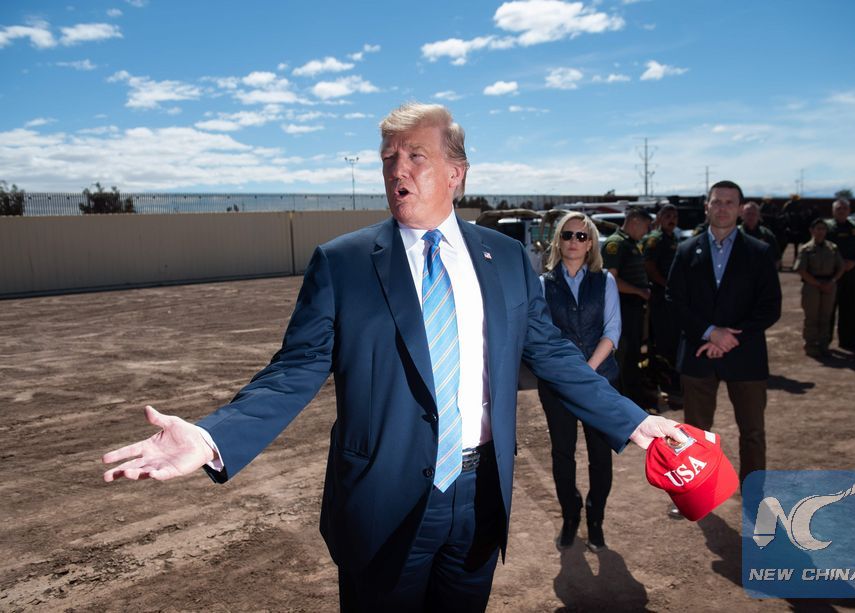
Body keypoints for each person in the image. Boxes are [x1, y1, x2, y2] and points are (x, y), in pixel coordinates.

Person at [101, 102, 684, 612]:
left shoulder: (505, 259)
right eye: (388, 158)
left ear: (456, 173)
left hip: (481, 497)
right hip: (383, 502)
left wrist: (632, 420)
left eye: (415, 156)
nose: (397, 170)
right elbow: (294, 370)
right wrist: (212, 437)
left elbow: (552, 352)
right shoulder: (344, 263)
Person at [666, 180, 782, 515]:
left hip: (745, 355)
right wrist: (709, 332)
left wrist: (731, 338)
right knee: (694, 434)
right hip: (699, 353)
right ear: (707, 206)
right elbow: (673, 299)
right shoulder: (686, 250)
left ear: (741, 208)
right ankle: (695, 494)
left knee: (753, 432)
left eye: (730, 202)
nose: (722, 208)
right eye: (717, 202)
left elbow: (770, 306)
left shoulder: (759, 252)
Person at [536, 212, 620, 553]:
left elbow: (612, 331)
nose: (574, 241)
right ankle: (570, 516)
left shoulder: (606, 281)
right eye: (567, 235)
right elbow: (541, 336)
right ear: (558, 241)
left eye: (581, 236)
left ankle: (595, 518)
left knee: (601, 455)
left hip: (599, 382)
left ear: (591, 244)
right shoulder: (543, 284)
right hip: (557, 386)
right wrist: (567, 375)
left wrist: (587, 371)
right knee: (563, 453)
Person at [603, 207, 653, 405]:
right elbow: (611, 280)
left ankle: (633, 397)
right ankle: (623, 400)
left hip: (634, 309)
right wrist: (639, 291)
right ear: (634, 221)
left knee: (632, 354)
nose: (646, 232)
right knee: (623, 357)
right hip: (623, 308)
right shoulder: (616, 244)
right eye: (646, 226)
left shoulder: (631, 243)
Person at [642, 203, 682, 409]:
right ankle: (662, 381)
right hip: (659, 296)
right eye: (667, 215)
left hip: (671, 297)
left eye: (674, 216)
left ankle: (671, 378)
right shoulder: (655, 239)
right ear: (659, 218)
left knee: (673, 337)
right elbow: (649, 267)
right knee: (662, 339)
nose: (671, 219)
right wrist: (667, 285)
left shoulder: (672, 238)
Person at [794, 218, 844, 357]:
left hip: (829, 285)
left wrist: (832, 281)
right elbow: (801, 269)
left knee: (826, 317)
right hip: (812, 286)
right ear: (812, 231)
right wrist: (818, 284)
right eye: (818, 229)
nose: (821, 231)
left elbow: (841, 267)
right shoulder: (806, 249)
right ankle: (811, 345)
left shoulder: (833, 248)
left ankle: (824, 344)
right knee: (812, 317)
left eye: (823, 229)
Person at [826, 198, 855, 351]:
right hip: (831, 274)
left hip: (851, 274)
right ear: (833, 211)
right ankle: (825, 341)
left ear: (849, 211)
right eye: (838, 208)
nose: (841, 211)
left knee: (850, 308)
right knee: (828, 309)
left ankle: (848, 341)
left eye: (844, 208)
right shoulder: (827, 228)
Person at [739, 201, 780, 268]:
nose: (750, 217)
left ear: (758, 216)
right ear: (742, 215)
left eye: (754, 214)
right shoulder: (734, 234)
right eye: (748, 213)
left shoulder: (767, 234)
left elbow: (776, 258)